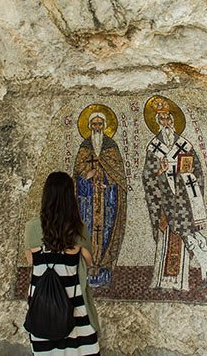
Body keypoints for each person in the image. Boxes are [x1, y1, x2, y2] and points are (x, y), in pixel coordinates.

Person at [24, 171, 100, 355]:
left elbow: (31, 260)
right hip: (73, 304)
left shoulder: (32, 227)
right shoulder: (78, 228)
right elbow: (89, 261)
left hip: (44, 306)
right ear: (70, 198)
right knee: (82, 349)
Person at [142, 96, 207, 291]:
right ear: (157, 122)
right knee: (165, 238)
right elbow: (147, 177)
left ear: (173, 120)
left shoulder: (185, 146)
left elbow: (198, 174)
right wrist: (158, 172)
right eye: (161, 119)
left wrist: (187, 178)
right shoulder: (153, 147)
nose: (166, 123)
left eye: (168, 119)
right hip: (163, 201)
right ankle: (162, 281)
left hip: (183, 202)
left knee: (183, 237)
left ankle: (180, 282)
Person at [73, 110, 127, 287]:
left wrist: (108, 182)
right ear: (89, 127)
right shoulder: (85, 147)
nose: (97, 127)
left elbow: (118, 176)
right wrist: (87, 175)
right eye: (94, 124)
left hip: (108, 201)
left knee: (106, 234)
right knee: (86, 231)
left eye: (100, 124)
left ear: (105, 126)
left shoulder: (111, 147)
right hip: (88, 202)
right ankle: (85, 269)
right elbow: (77, 173)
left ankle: (103, 271)